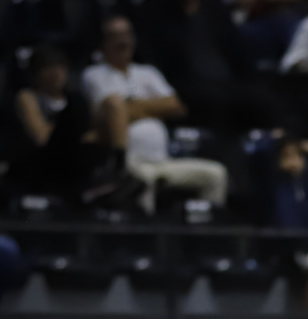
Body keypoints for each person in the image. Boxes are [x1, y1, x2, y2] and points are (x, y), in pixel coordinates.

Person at [81, 16, 228, 214]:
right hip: (130, 164)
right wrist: (152, 107)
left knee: (216, 174)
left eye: (126, 35)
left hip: (163, 161)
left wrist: (129, 108)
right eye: (115, 36)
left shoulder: (148, 72)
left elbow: (176, 106)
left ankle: (208, 239)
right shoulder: (94, 74)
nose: (122, 41)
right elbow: (110, 114)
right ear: (103, 42)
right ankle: (148, 239)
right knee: (142, 181)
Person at [145, 0, 293, 133]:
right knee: (214, 101)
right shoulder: (158, 14)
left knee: (266, 96)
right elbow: (160, 62)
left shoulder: (212, 7)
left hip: (228, 80)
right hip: (188, 85)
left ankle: (282, 147)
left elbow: (236, 48)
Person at [9, 46, 133, 200]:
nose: (56, 73)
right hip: (46, 159)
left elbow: (89, 132)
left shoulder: (72, 98)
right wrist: (73, 130)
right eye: (49, 68)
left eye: (60, 67)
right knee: (77, 106)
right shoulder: (28, 97)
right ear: (36, 73)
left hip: (74, 158)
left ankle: (118, 172)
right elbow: (41, 136)